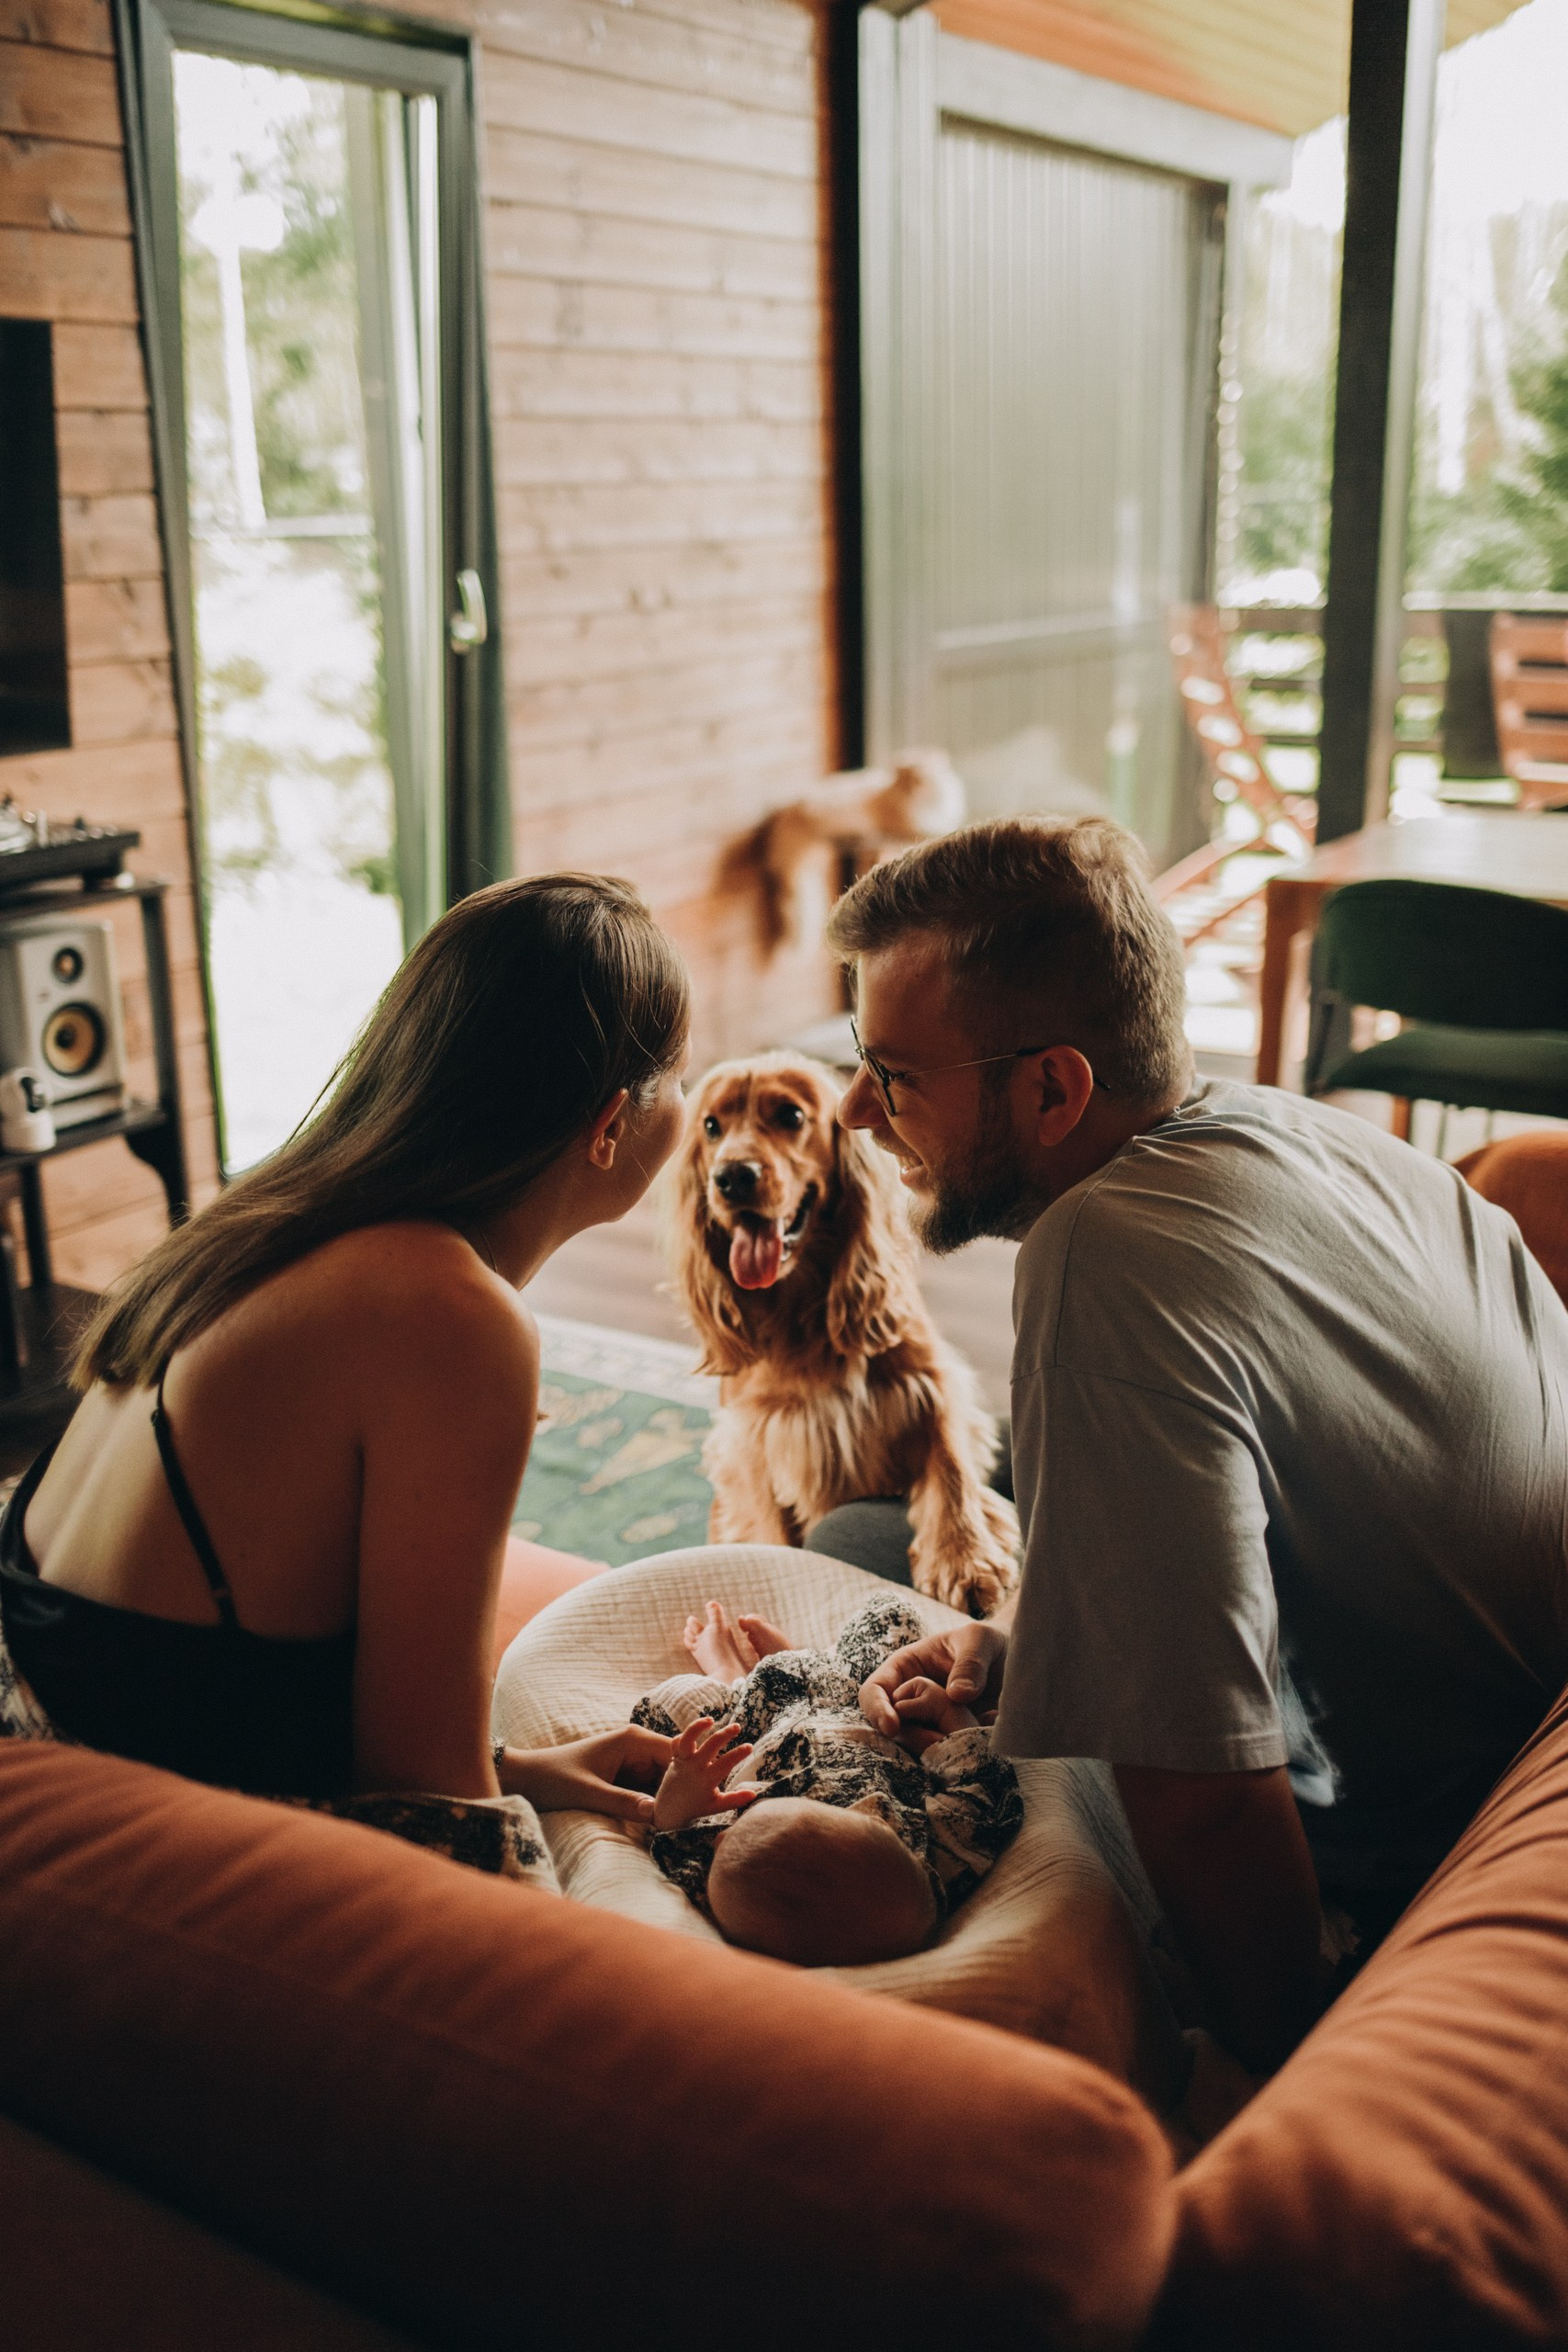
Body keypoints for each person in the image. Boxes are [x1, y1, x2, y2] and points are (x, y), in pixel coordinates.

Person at [810, 816, 1568, 2069]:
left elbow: (1200, 1794)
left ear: (1052, 1087)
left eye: (891, 1073)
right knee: (962, 1522)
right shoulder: (1307, 1130)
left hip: (1399, 1846)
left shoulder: (1102, 1257)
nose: (852, 1110)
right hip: (1488, 1687)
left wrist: (1273, 2080)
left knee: (847, 1535)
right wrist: (1027, 1636)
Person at [0, 875, 688, 1838]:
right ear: (610, 1124)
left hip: (42, 1691)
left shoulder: (282, 1212)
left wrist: (520, 1769)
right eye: (684, 1074)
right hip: (105, 1815)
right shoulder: (454, 1315)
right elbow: (426, 1794)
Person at [630, 1596, 1021, 1964]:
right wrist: (948, 1713)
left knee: (664, 1714)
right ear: (874, 1821)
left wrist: (681, 1788)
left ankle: (729, 1673)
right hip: (860, 1698)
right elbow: (982, 1779)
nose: (717, 1837)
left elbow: (672, 1839)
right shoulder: (935, 1860)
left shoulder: (732, 1892)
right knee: (892, 1616)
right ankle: (794, 1656)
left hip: (752, 1721)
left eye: (722, 1841)